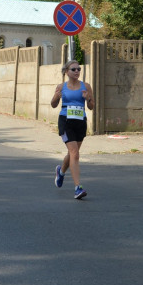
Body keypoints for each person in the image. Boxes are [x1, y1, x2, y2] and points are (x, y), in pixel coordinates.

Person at [50, 60, 95, 199]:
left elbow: (92, 106)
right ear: (66, 72)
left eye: (78, 69)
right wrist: (57, 96)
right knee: (75, 153)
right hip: (66, 121)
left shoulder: (86, 86)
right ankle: (78, 188)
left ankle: (61, 171)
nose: (77, 71)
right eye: (73, 69)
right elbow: (53, 104)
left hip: (80, 121)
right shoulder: (61, 87)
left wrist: (88, 98)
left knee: (73, 154)